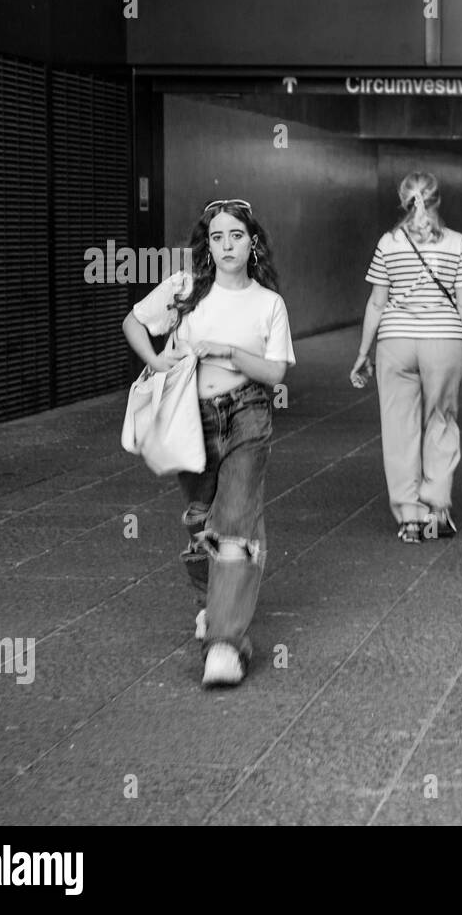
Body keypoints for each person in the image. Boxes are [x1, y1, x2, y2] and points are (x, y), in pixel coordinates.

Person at [122, 199, 296, 688]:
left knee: (235, 521)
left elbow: (276, 372)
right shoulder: (183, 290)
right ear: (207, 244)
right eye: (217, 237)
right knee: (201, 524)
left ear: (252, 242)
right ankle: (211, 607)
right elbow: (134, 322)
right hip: (190, 417)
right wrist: (158, 363)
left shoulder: (268, 303)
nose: (226, 246)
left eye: (236, 236)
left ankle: (224, 642)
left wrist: (228, 352)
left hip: (248, 413)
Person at [350, 172, 462, 544]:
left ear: (403, 202)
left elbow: (377, 302)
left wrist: (364, 352)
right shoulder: (456, 244)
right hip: (444, 341)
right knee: (441, 421)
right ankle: (437, 508)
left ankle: (410, 516)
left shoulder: (389, 242)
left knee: (398, 428)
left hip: (395, 341)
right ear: (437, 201)